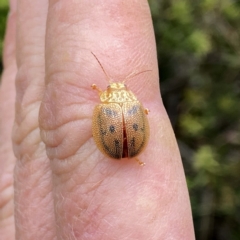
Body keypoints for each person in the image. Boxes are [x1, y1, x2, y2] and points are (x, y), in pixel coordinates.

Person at [0, 0, 195, 239]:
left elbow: (100, 119)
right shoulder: (134, 102)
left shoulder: (106, 103)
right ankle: (135, 159)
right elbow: (138, 116)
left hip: (115, 141)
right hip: (127, 139)